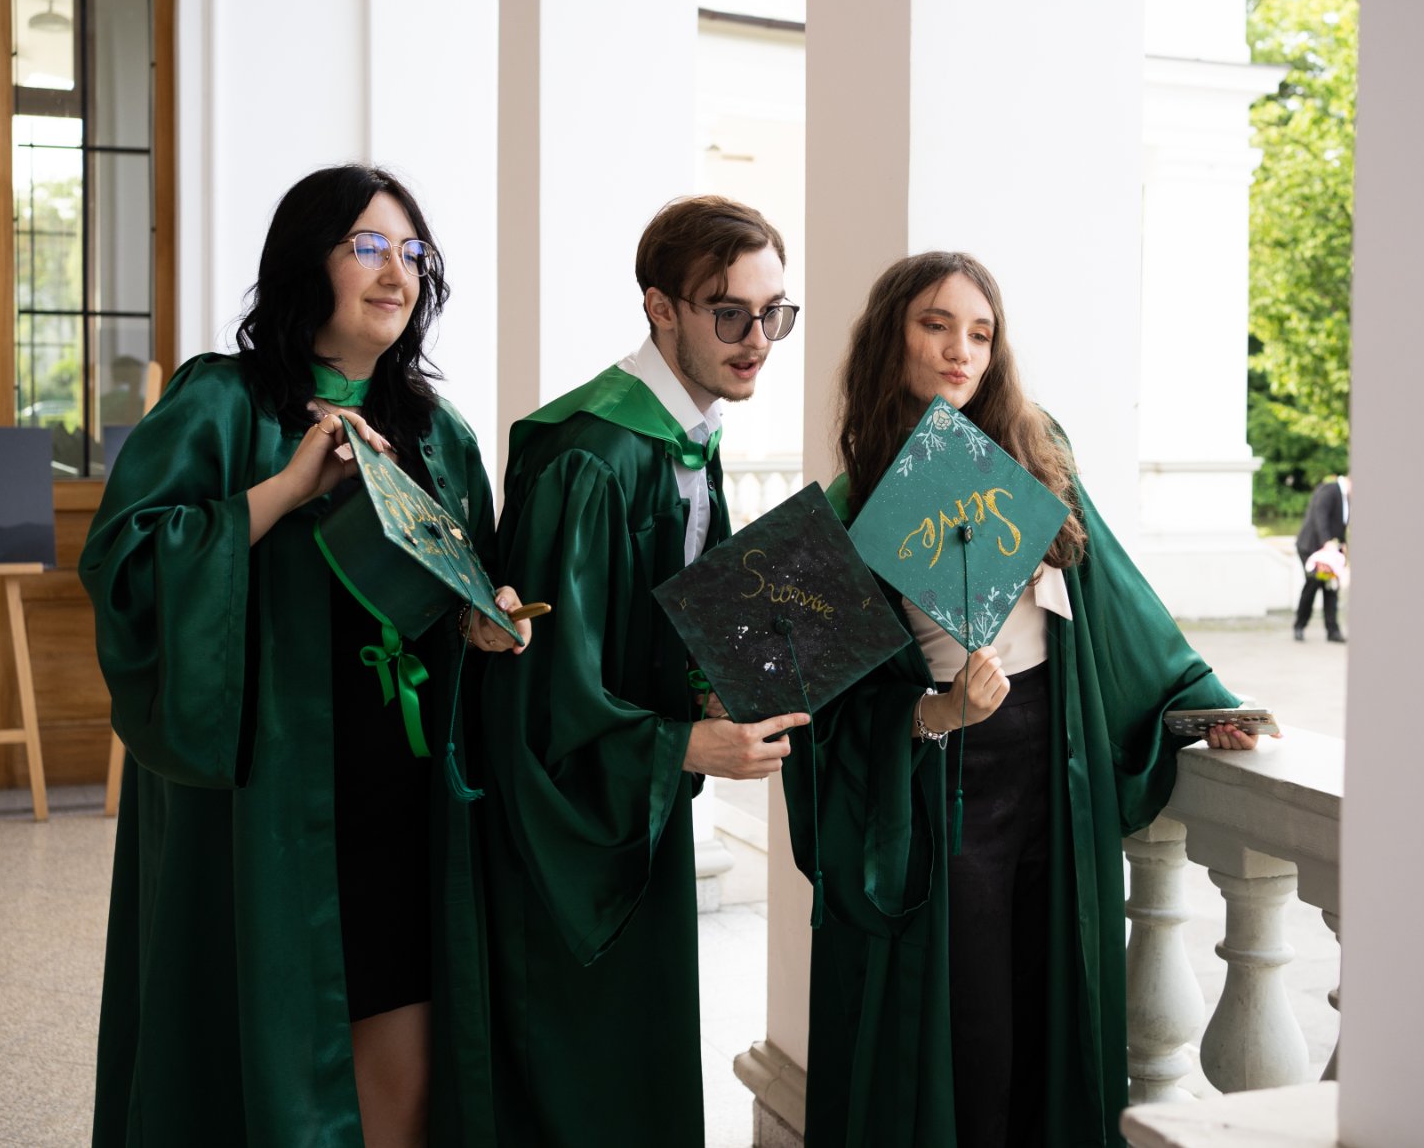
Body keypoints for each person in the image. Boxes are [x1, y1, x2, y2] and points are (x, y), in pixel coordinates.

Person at [81, 164, 530, 1147]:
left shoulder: (439, 437)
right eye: (365, 246)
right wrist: (283, 489)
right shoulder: (223, 405)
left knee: (404, 1075)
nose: (395, 272)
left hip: (405, 802)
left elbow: (455, 587)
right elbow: (126, 571)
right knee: (271, 1067)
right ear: (304, 260)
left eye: (411, 253)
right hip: (270, 806)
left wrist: (484, 616)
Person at [787, 251, 1262, 1148]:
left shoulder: (1039, 450)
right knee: (976, 1034)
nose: (961, 349)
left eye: (981, 331)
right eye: (935, 324)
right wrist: (936, 713)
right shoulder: (848, 508)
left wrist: (1196, 702)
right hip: (950, 793)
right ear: (893, 335)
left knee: (1057, 1007)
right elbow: (828, 726)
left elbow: (1117, 599)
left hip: (1057, 772)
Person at [478, 196, 808, 1146]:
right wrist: (683, 741)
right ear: (661, 309)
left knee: (641, 1061)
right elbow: (540, 691)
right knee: (585, 1077)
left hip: (640, 810)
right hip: (574, 833)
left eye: (774, 312)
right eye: (729, 312)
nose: (757, 340)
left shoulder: (688, 438)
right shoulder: (593, 456)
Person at [1293, 473, 1350, 642]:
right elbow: (1320, 517)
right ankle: (1299, 626)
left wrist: (1342, 544)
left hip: (1330, 553)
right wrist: (1326, 541)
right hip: (1311, 547)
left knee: (1331, 587)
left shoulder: (1347, 497)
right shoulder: (1330, 490)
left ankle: (1333, 631)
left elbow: (1340, 524)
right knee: (1313, 584)